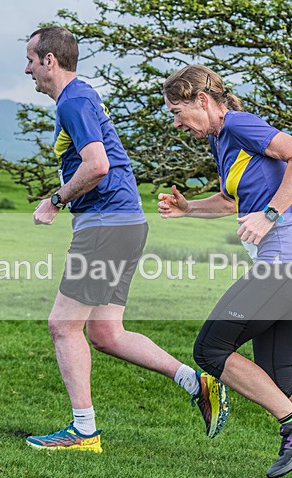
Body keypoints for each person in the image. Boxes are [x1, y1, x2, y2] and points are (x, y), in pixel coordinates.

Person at [157, 65, 292, 478]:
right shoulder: (221, 139)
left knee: (210, 350)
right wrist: (189, 209)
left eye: (178, 112)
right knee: (278, 371)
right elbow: (229, 199)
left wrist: (270, 215)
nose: (177, 123)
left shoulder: (239, 125)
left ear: (203, 101)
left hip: (285, 262)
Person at [23, 27, 229, 453]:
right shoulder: (82, 97)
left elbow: (97, 165)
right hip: (123, 223)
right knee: (105, 332)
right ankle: (197, 383)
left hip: (108, 225)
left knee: (63, 325)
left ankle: (83, 432)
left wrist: (55, 201)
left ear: (50, 61)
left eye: (31, 60)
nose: (27, 69)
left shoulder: (74, 100)